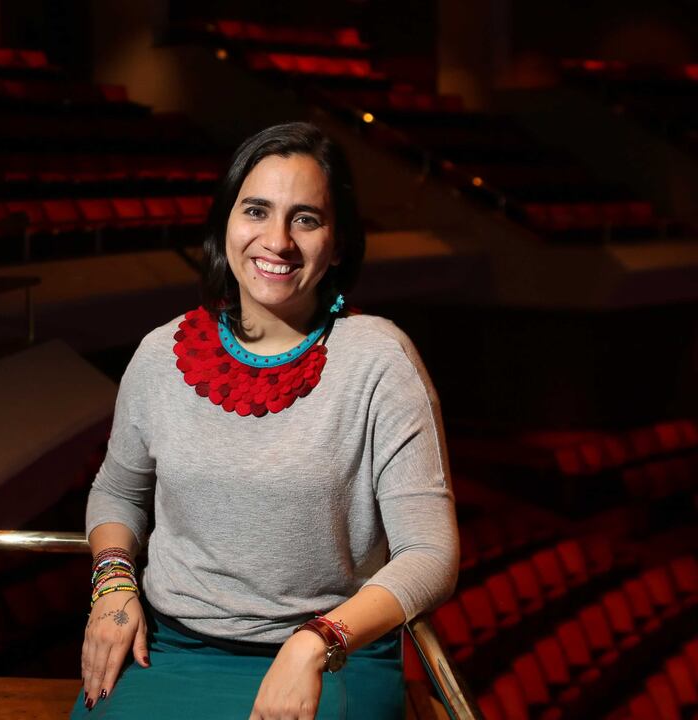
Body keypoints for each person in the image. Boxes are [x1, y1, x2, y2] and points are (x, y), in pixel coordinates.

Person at [73, 122, 459, 720]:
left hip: (335, 655)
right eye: (257, 210)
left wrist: (316, 640)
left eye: (306, 218)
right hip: (170, 650)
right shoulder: (159, 355)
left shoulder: (382, 361)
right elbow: (117, 491)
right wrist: (114, 587)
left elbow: (431, 553)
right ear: (226, 221)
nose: (277, 240)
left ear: (338, 242)